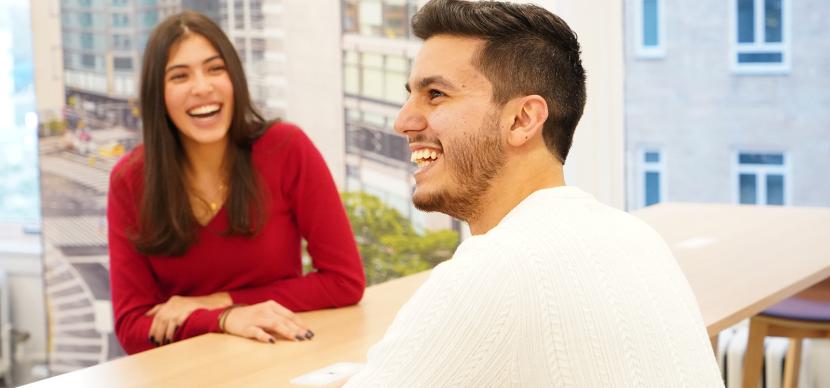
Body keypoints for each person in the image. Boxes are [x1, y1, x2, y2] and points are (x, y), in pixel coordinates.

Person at [344, 0, 723, 386]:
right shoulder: (636, 237)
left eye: (436, 94)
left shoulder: (490, 273)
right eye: (410, 95)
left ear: (522, 120)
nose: (402, 121)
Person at [107, 11, 365, 355]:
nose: (202, 87)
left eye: (215, 69)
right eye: (180, 76)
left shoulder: (286, 148)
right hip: (187, 372)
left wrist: (220, 302)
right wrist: (222, 319)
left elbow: (344, 281)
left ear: (235, 79)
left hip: (279, 355)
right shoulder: (130, 180)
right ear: (159, 96)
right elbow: (133, 329)